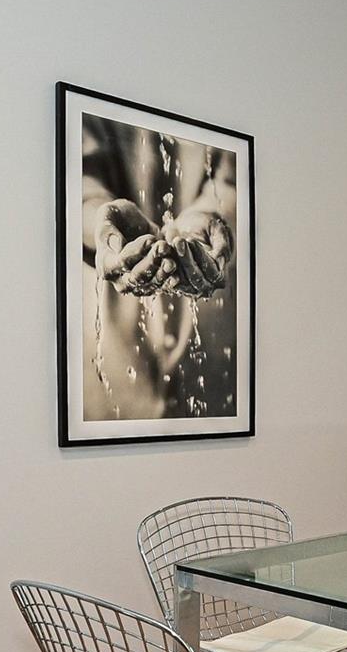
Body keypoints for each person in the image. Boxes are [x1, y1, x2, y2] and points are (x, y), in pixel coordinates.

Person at [78, 114, 239, 421]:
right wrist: (99, 222)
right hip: (106, 354)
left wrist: (215, 218)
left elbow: (235, 178)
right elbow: (73, 178)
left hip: (218, 350)